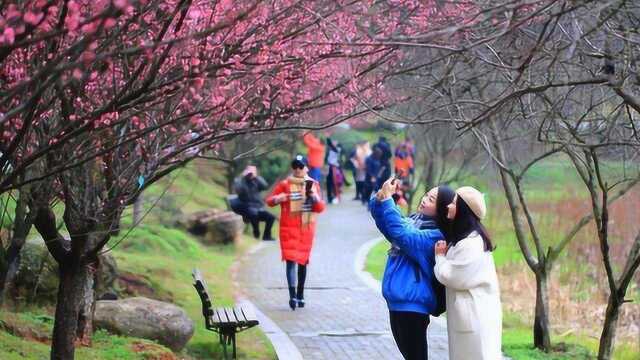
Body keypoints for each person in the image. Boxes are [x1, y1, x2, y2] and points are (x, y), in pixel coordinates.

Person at [369, 181, 454, 360]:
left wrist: (388, 202)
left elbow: (403, 234)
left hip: (413, 306)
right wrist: (379, 200)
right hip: (398, 303)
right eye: (426, 195)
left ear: (441, 209)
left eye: (431, 200)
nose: (424, 200)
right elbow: (390, 226)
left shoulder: (437, 235)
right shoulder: (415, 221)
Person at [434, 186, 502, 360]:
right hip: (470, 313)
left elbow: (452, 277)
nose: (449, 206)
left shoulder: (470, 244)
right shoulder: (464, 240)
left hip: (475, 315)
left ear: (464, 210)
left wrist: (440, 258)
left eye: (454, 203)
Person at [266, 155, 326, 310]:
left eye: (301, 166)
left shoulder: (313, 185)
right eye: (295, 166)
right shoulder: (285, 184)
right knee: (290, 261)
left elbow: (320, 208)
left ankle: (301, 294)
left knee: (302, 262)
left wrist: (313, 196)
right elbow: (270, 201)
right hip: (288, 229)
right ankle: (292, 296)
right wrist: (281, 198)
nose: (298, 169)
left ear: (307, 167)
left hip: (306, 230)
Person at [230, 165, 275, 241]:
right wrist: (243, 176)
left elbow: (265, 186)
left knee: (271, 217)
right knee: (253, 214)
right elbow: (238, 189)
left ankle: (267, 236)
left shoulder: (256, 181)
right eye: (249, 171)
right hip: (246, 207)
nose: (250, 174)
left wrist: (256, 177)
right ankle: (256, 233)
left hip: (258, 207)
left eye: (253, 172)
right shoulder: (241, 181)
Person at [325, 137, 344, 204]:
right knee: (328, 183)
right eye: (333, 141)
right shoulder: (330, 149)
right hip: (329, 167)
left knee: (335, 183)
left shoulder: (337, 149)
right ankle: (329, 198)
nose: (334, 143)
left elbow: (331, 145)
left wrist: (328, 138)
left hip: (334, 168)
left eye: (335, 141)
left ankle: (336, 197)